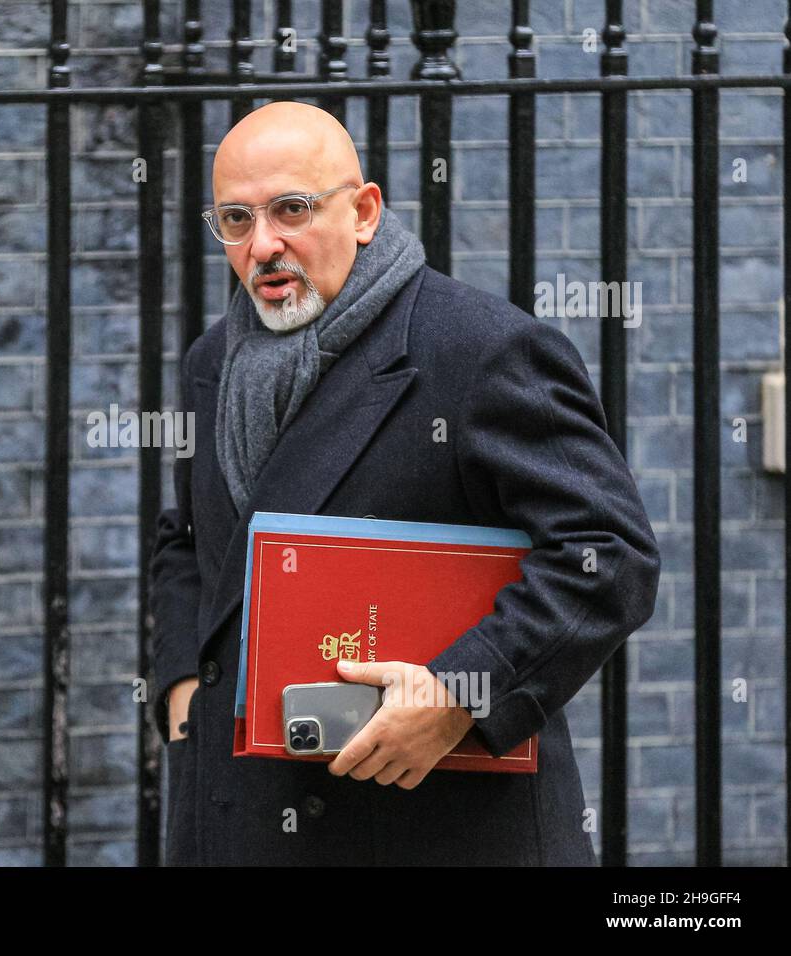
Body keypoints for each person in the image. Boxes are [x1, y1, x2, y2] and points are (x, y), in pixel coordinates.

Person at [149, 100, 661, 866]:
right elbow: (188, 541)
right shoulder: (215, 359)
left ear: (363, 211)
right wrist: (184, 686)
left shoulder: (482, 349)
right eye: (235, 219)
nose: (263, 245)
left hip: (435, 826)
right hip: (238, 818)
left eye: (292, 209)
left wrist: (461, 693)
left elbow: (606, 553)